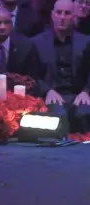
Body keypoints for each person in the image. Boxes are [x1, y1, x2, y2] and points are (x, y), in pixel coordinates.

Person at [33, 0, 90, 133]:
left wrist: (87, 91)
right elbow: (32, 75)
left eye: (67, 13)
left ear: (74, 16)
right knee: (58, 116)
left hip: (78, 94)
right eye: (59, 13)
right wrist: (47, 90)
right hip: (52, 94)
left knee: (84, 114)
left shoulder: (86, 42)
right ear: (52, 15)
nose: (62, 17)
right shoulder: (37, 42)